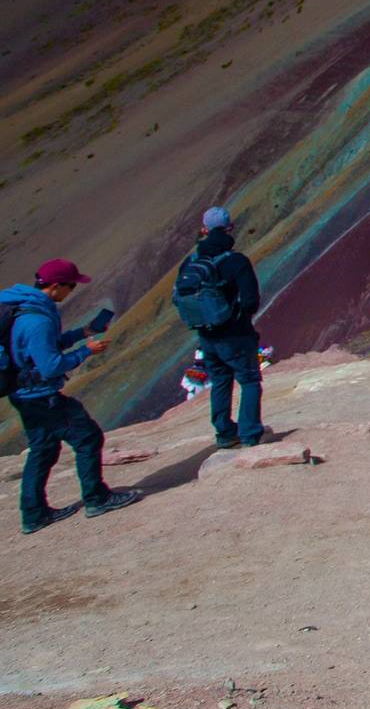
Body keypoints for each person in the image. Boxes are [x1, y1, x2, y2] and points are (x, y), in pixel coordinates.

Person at [5, 258, 142, 533]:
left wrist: (83, 333)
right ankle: (97, 498)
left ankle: (33, 514)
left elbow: (39, 347)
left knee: (43, 449)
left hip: (22, 393)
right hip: (42, 396)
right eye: (70, 286)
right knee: (88, 436)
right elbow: (51, 365)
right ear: (56, 287)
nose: (71, 292)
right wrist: (86, 352)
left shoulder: (23, 307)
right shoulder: (37, 320)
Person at [176, 207, 266, 449]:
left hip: (205, 336)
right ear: (229, 229)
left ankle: (225, 433)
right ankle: (250, 433)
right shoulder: (236, 261)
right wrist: (237, 318)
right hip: (235, 334)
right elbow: (250, 301)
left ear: (204, 230)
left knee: (220, 381)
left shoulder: (191, 262)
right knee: (248, 380)